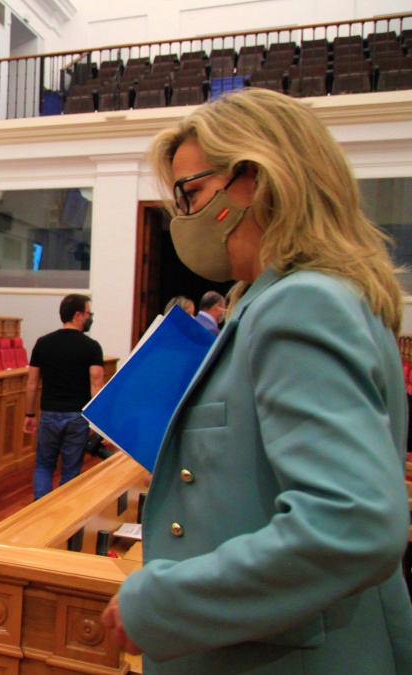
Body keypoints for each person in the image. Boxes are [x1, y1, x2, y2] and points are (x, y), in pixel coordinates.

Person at [101, 88, 412, 673]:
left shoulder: (302, 303)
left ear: (257, 180)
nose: (182, 217)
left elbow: (353, 522)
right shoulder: (283, 299)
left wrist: (164, 602)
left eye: (191, 193)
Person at [23, 294, 104, 500]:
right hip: (77, 417)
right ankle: (63, 512)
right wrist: (98, 424)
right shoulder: (92, 347)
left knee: (44, 465)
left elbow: (32, 383)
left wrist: (30, 414)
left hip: (49, 413)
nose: (90, 317)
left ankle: (40, 510)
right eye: (88, 313)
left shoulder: (43, 343)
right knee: (70, 471)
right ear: (78, 315)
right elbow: (96, 386)